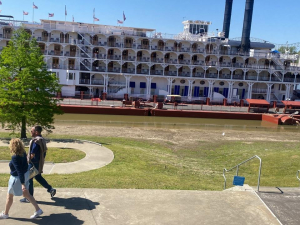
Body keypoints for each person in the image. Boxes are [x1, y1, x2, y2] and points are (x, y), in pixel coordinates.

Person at [0, 139, 43, 219]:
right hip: (25, 176)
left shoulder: (15, 157)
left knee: (9, 196)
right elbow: (25, 166)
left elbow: (19, 171)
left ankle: (5, 214)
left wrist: (22, 184)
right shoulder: (23, 153)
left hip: (17, 178)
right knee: (26, 194)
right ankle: (38, 210)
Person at [20, 126, 56, 203]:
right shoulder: (42, 140)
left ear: (36, 132)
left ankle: (29, 198)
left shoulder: (36, 141)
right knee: (38, 177)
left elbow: (32, 154)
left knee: (29, 179)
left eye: (32, 131)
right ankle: (50, 189)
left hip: (33, 164)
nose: (30, 132)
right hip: (38, 163)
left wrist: (26, 161)